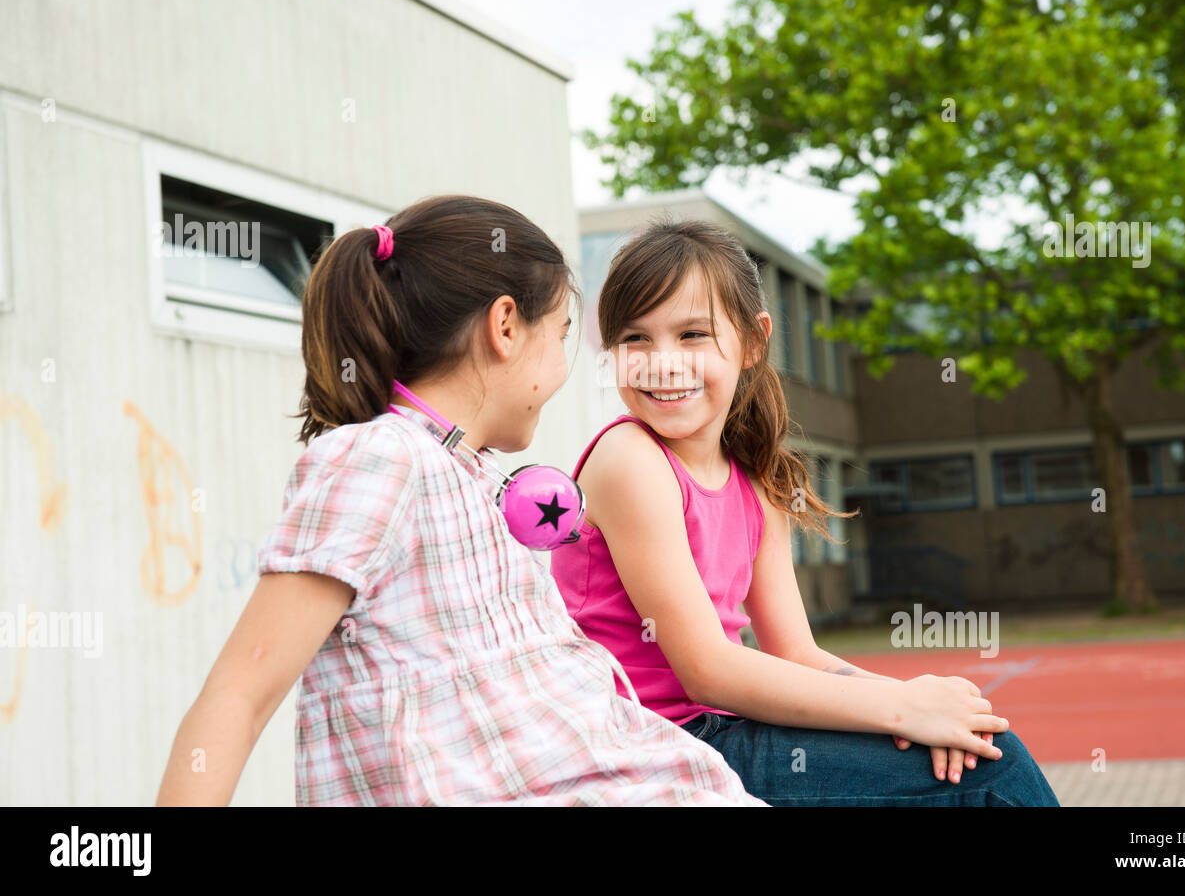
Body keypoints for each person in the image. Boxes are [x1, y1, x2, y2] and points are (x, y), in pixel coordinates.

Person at [155, 195, 766, 806]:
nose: (562, 368)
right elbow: (238, 696)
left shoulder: (471, 474)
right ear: (505, 328)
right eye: (559, 336)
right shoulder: (382, 458)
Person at [550, 217, 1059, 806]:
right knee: (990, 770)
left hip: (722, 729)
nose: (663, 362)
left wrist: (920, 701)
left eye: (692, 335)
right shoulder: (629, 459)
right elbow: (708, 671)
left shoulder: (756, 480)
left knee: (978, 744)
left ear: (754, 341)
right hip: (651, 739)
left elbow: (796, 653)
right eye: (636, 339)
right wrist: (902, 710)